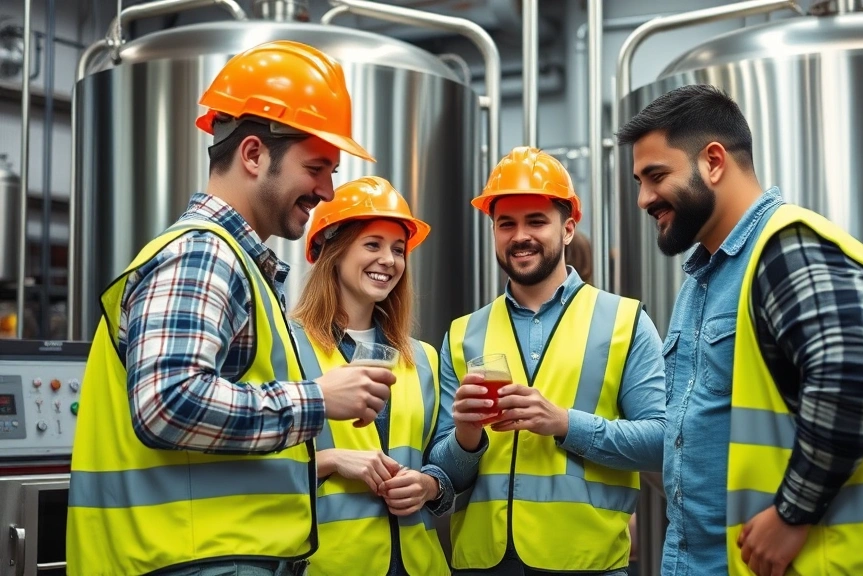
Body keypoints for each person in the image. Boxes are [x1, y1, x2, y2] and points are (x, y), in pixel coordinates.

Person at [66, 41, 398, 576]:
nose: (327, 189)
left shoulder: (237, 262)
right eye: (317, 167)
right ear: (252, 155)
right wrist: (316, 400)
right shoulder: (202, 253)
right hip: (189, 560)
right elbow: (168, 403)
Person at [617, 84, 863, 576]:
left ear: (714, 161)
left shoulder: (788, 250)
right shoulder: (706, 279)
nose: (643, 198)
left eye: (656, 176)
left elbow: (853, 381)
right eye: (639, 181)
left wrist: (791, 512)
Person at [428, 146, 667, 575]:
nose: (521, 235)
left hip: (586, 562)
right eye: (507, 224)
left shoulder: (624, 321)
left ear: (569, 228)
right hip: (484, 564)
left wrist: (564, 423)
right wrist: (465, 437)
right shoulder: (463, 333)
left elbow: (663, 443)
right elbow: (446, 476)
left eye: (536, 221)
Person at [290, 176, 453, 576]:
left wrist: (430, 485)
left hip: (419, 566)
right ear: (334, 250)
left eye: (398, 249)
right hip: (329, 566)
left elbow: (445, 463)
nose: (389, 260)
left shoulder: (423, 359)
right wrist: (329, 460)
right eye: (373, 244)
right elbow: (251, 468)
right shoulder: (288, 348)